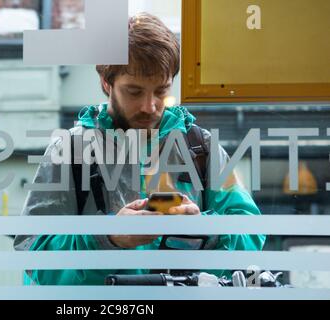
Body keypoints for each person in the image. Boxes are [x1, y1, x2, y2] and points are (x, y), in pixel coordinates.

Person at [14, 13, 265, 285]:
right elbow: (33, 251)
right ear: (106, 83)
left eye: (161, 91)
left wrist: (203, 230)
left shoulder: (200, 147)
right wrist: (108, 237)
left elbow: (250, 233)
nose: (150, 106)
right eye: (134, 92)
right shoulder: (71, 151)